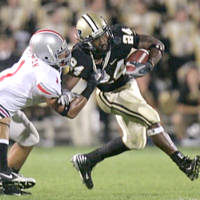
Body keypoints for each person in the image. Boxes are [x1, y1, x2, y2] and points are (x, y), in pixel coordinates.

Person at [69, 13, 200, 189]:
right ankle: (183, 162)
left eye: (104, 34)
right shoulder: (80, 55)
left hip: (129, 85)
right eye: (98, 39)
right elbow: (65, 85)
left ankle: (87, 160)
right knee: (150, 116)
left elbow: (156, 44)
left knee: (135, 141)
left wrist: (149, 64)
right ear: (87, 43)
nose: (104, 40)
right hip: (108, 95)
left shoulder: (119, 36)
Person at [0, 29, 105, 195]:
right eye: (60, 52)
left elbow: (60, 83)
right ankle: (2, 171)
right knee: (2, 119)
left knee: (29, 138)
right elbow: (70, 112)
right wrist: (91, 85)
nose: (65, 55)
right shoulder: (45, 78)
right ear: (47, 56)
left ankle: (6, 183)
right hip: (2, 103)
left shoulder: (33, 52)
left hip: (6, 100)